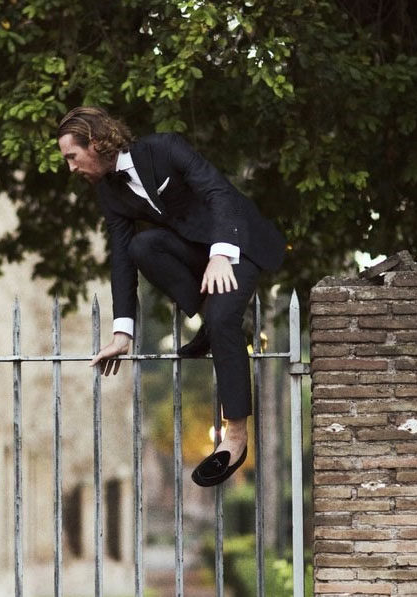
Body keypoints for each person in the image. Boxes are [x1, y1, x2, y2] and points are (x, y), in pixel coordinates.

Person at [57, 106, 286, 486]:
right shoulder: (109, 192)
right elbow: (122, 260)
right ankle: (211, 320)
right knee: (142, 247)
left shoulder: (164, 147)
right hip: (197, 253)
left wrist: (220, 255)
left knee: (223, 321)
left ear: (95, 143)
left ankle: (235, 437)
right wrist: (122, 334)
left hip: (236, 243)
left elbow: (218, 192)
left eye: (72, 156)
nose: (71, 167)